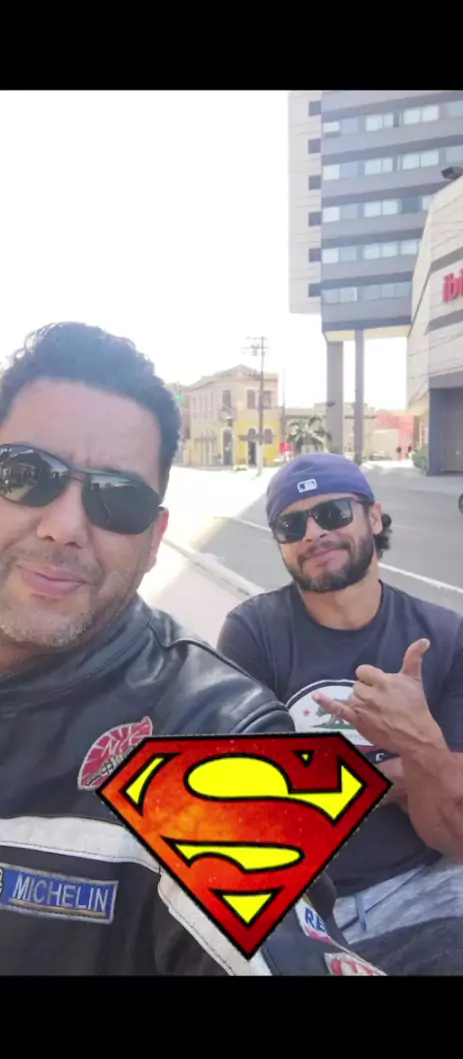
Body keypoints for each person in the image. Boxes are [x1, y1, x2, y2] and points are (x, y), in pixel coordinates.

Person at [0, 321, 379, 977]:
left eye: (118, 499)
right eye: (27, 474)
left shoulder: (213, 741)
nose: (63, 527)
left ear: (154, 541)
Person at [217, 452, 463, 975]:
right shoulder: (252, 635)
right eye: (292, 524)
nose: (314, 532)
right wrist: (404, 771)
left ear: (374, 517)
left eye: (333, 513)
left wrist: (419, 740)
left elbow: (460, 837)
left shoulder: (446, 639)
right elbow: (253, 807)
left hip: (422, 886)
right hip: (298, 900)